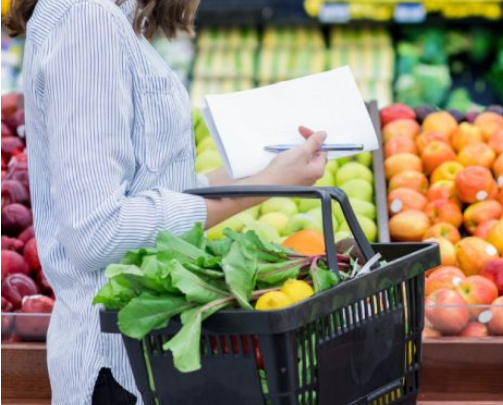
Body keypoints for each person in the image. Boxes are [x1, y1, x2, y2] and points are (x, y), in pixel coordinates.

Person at [4, 0, 328, 404]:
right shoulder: (86, 19)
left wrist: (269, 172)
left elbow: (146, 189)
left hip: (143, 357)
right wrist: (262, 186)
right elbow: (97, 231)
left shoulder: (103, 17)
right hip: (118, 369)